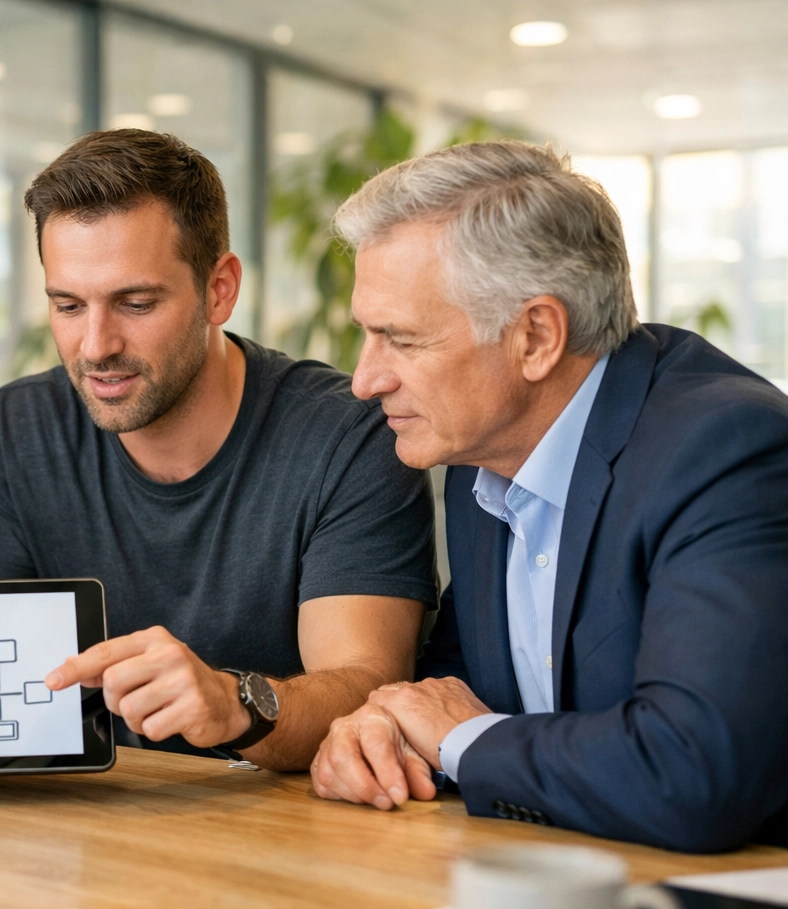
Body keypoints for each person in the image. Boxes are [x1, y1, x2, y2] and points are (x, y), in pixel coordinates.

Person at [0, 129, 439, 801]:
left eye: (135, 304)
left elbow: (366, 689)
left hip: (284, 831)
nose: (95, 346)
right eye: (67, 305)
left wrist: (233, 703)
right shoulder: (20, 426)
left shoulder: (347, 436)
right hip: (86, 830)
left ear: (219, 290)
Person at [309, 140, 788, 853]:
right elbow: (458, 680)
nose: (365, 379)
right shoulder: (483, 451)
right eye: (367, 336)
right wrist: (385, 724)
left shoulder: (725, 450)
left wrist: (461, 739)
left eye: (401, 341)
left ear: (535, 336)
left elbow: (693, 773)